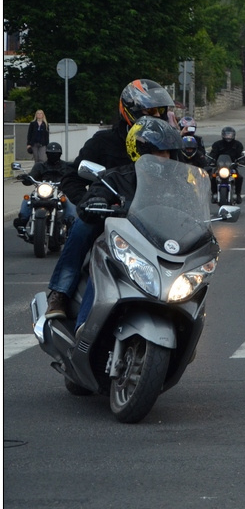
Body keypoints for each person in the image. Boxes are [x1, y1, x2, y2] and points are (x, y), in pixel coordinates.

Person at [45, 78, 175, 319]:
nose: (156, 115)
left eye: (160, 111)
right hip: (108, 219)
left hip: (151, 220)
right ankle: (61, 292)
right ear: (129, 110)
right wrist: (89, 203)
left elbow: (183, 176)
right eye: (149, 111)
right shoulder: (104, 142)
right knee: (82, 227)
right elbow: (72, 177)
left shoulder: (166, 142)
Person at [73, 116, 183, 330]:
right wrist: (97, 200)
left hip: (160, 250)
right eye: (158, 152)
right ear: (139, 152)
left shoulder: (177, 184)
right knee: (102, 264)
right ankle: (85, 326)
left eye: (168, 152)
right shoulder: (117, 178)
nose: (164, 157)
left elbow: (191, 210)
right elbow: (96, 194)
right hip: (123, 249)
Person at [13, 142, 75, 235]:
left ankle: (71, 225)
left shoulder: (66, 166)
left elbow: (74, 175)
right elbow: (31, 177)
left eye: (55, 154)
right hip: (42, 191)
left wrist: (75, 177)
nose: (53, 155)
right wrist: (25, 178)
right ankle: (22, 222)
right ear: (47, 154)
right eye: (50, 153)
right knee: (28, 199)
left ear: (60, 155)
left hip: (60, 191)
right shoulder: (40, 166)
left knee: (69, 202)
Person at [208, 126, 245, 204]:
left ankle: (238, 194)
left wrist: (241, 161)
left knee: (239, 177)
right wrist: (210, 160)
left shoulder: (237, 144)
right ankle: (214, 193)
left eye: (230, 134)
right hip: (219, 166)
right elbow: (212, 154)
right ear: (223, 135)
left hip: (232, 166)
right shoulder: (217, 144)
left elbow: (241, 155)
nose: (228, 136)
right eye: (226, 134)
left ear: (233, 135)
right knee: (213, 176)